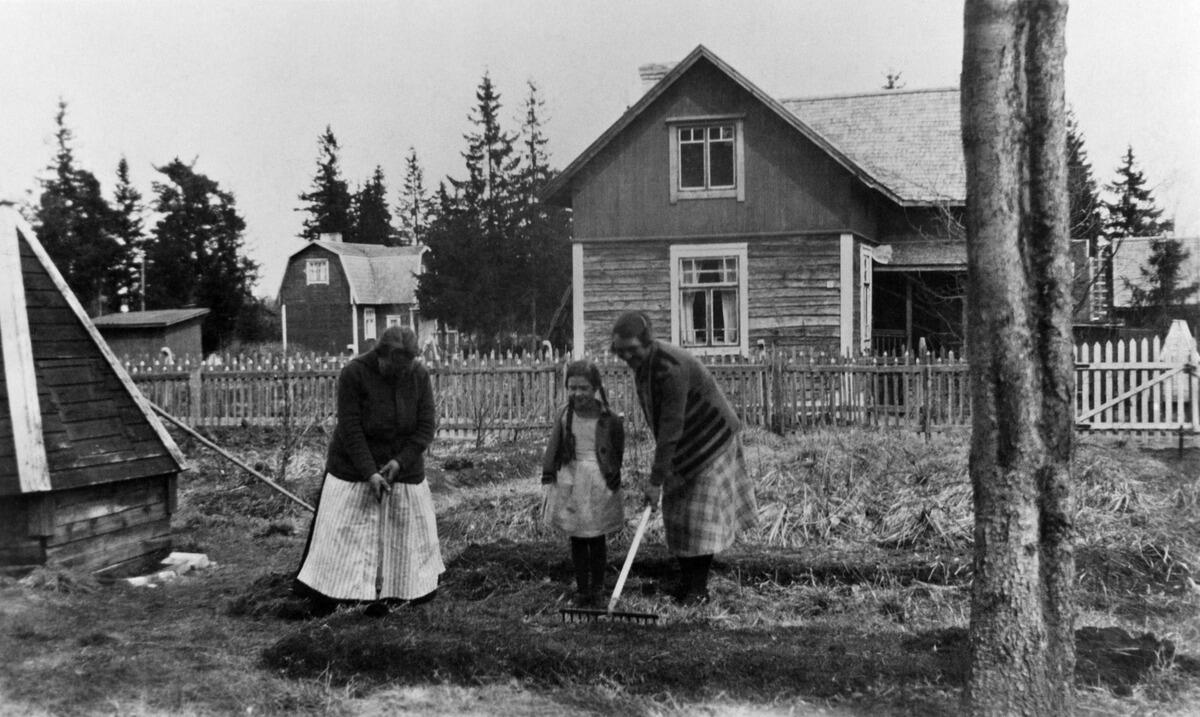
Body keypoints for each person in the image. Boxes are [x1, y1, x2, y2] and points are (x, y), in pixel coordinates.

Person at [291, 326, 443, 617]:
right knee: (346, 535)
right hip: (353, 467)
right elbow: (350, 429)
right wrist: (369, 472)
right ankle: (342, 591)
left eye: (405, 369)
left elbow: (425, 428)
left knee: (404, 538)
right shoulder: (354, 374)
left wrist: (400, 462)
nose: (399, 375)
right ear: (381, 355)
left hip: (404, 469)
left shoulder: (419, 376)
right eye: (393, 368)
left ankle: (402, 589)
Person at [610, 311, 757, 605]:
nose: (626, 357)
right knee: (678, 517)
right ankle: (687, 583)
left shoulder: (669, 367)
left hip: (711, 441)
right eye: (620, 351)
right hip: (684, 445)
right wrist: (665, 472)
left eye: (631, 350)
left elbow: (671, 427)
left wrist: (655, 480)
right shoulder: (645, 365)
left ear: (647, 342)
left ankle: (698, 591)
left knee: (699, 520)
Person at [541, 360, 625, 607]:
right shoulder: (565, 414)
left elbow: (617, 448)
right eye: (573, 387)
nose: (578, 393)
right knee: (577, 537)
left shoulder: (609, 418)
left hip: (598, 481)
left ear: (596, 388)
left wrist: (612, 472)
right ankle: (583, 588)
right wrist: (549, 473)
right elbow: (554, 445)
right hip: (572, 479)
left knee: (596, 537)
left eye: (584, 388)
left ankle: (598, 588)